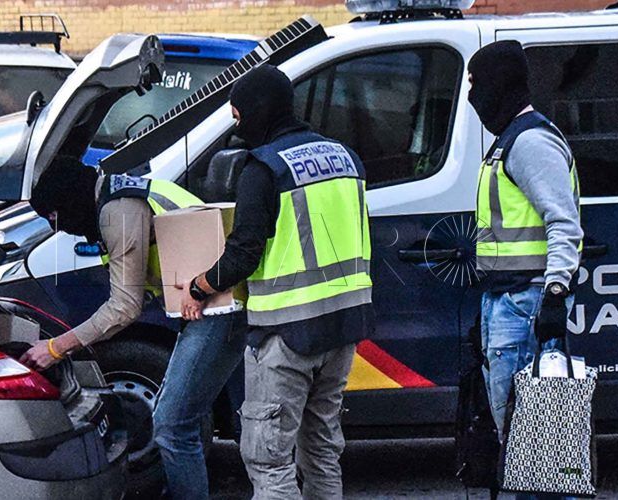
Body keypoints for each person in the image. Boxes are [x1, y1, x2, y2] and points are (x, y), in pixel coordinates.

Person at [179, 64, 374, 500]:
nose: (237, 127)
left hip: (288, 335)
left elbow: (244, 253)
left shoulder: (264, 168)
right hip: (344, 327)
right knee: (321, 450)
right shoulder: (346, 158)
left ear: (257, 110)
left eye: (238, 116)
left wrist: (198, 287)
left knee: (268, 459)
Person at [22, 157, 247, 500]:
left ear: (68, 198)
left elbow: (125, 307)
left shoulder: (118, 211)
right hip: (210, 305)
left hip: (217, 309)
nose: (58, 227)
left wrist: (56, 347)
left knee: (172, 425)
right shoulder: (123, 193)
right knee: (186, 419)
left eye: (53, 216)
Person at [469, 41, 583, 500]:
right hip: (509, 299)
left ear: (498, 84)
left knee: (535, 447)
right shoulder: (511, 139)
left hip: (527, 304)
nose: (472, 96)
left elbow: (563, 222)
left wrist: (555, 293)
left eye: (476, 84)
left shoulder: (530, 143)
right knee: (525, 447)